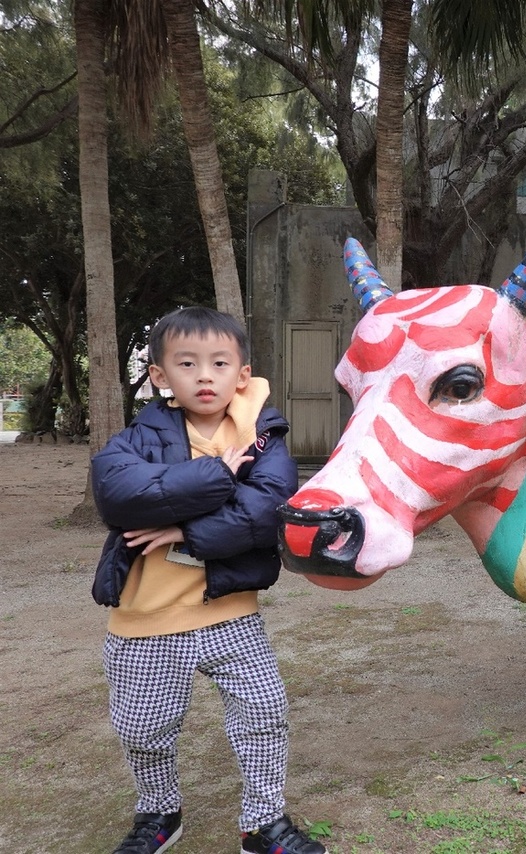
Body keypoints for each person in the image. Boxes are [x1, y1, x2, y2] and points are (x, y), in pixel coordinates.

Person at [91, 307, 324, 854]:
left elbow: (269, 507)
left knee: (265, 714)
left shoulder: (265, 435)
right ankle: (158, 814)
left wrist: (180, 527)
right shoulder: (137, 438)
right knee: (143, 732)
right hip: (143, 621)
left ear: (241, 374)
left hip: (231, 612)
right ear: (159, 375)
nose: (204, 376)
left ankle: (263, 824)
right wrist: (221, 475)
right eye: (187, 363)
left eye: (219, 363)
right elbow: (116, 495)